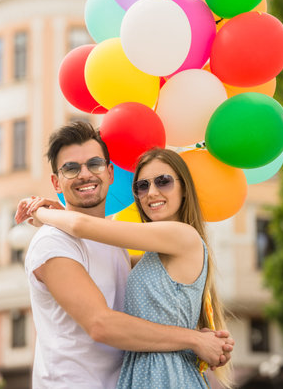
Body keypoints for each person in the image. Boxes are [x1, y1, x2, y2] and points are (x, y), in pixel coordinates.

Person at [16, 121, 234, 389]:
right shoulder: (53, 242)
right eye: (71, 168)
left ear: (110, 173)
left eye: (94, 164)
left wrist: (40, 213)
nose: (152, 192)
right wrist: (195, 339)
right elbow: (101, 324)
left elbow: (82, 226)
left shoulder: (135, 239)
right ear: (56, 182)